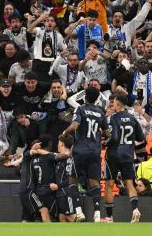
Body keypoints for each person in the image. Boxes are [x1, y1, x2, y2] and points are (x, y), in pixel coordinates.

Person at [61, 86, 109, 222]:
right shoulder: (101, 113)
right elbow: (107, 133)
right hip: (95, 152)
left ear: (84, 97)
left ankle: (79, 212)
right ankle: (98, 214)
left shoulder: (80, 109)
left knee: (73, 180)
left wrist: (65, 132)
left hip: (79, 151)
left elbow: (75, 126)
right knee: (94, 183)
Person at [103, 93, 146, 222]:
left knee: (109, 185)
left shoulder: (113, 118)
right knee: (129, 184)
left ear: (117, 103)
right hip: (128, 155)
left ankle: (109, 217)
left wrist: (106, 143)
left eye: (114, 102)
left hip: (113, 155)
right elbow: (140, 139)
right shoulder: (132, 118)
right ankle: (135, 210)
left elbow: (113, 137)